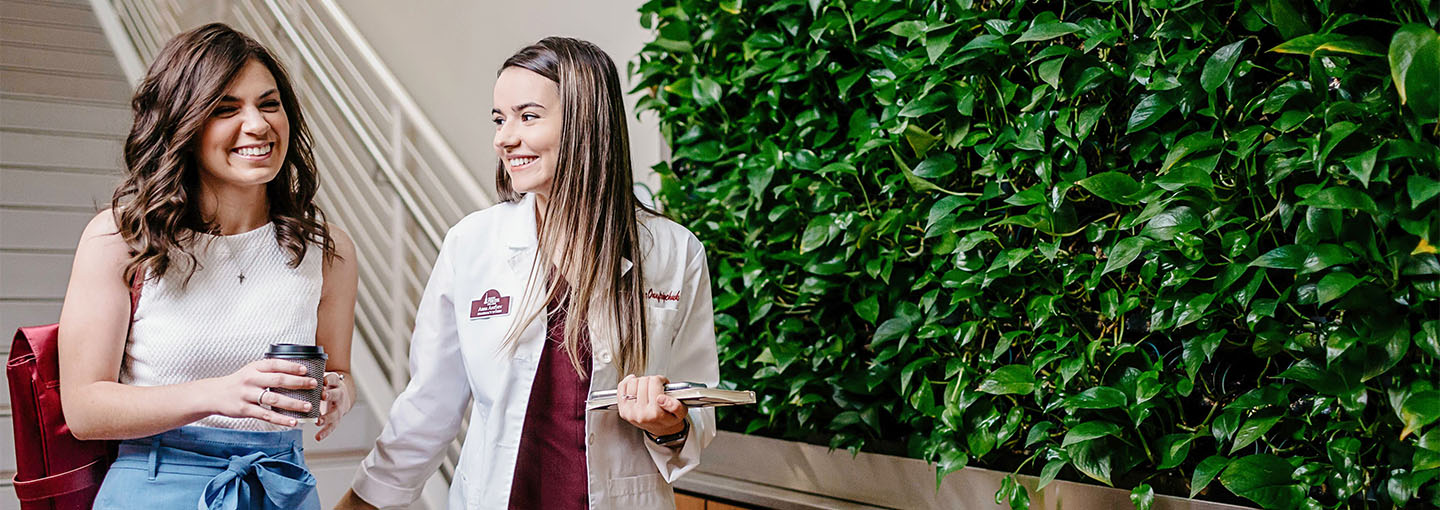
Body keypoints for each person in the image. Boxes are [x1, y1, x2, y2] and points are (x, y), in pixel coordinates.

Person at [335, 37, 719, 510]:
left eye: (528, 116)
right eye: (500, 119)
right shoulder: (472, 244)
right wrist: (361, 502)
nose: (504, 137)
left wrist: (670, 426)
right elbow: (428, 406)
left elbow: (700, 405)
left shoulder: (673, 252)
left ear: (585, 124)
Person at [56, 23, 358, 510]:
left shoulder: (327, 251)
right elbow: (85, 408)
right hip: (156, 484)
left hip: (279, 486)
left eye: (269, 103)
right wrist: (219, 394)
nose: (257, 125)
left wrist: (338, 391)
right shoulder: (121, 238)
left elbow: (337, 370)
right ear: (184, 123)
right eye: (225, 109)